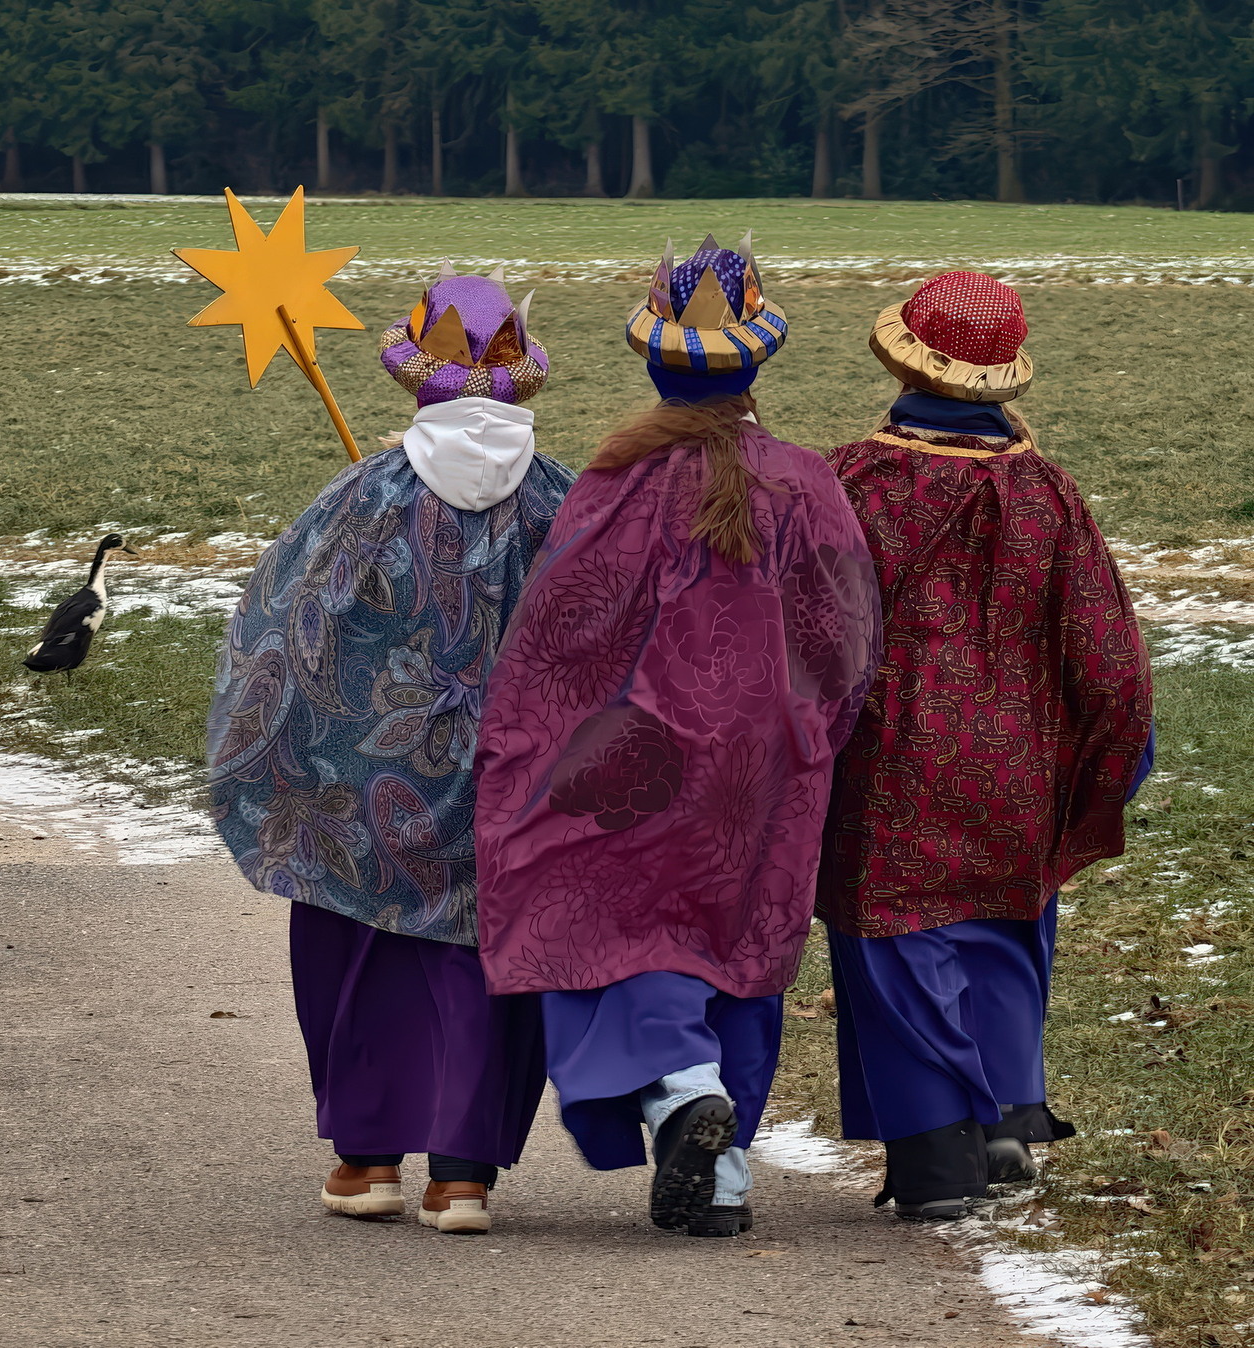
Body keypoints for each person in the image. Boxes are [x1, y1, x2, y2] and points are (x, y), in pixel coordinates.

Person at [473, 236, 882, 1237]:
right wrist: (811, 734)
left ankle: (676, 1086)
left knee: (603, 916)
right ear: (759, 360)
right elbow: (845, 636)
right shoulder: (807, 484)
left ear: (651, 358)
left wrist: (530, 745)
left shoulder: (617, 481)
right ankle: (725, 1180)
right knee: (735, 940)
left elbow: (562, 633)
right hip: (765, 761)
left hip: (631, 756)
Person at [207, 267, 574, 1234]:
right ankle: (463, 1176)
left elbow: (290, 633)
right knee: (483, 949)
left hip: (372, 774)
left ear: (416, 378)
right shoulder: (565, 503)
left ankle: (366, 1158)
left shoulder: (364, 495)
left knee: (358, 934)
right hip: (515, 781)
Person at [819, 271, 1155, 1221]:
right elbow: (1106, 654)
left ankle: (938, 1160)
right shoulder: (1049, 493)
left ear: (902, 360)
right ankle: (1009, 1117)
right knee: (1006, 923)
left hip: (884, 761)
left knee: (897, 946)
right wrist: (1116, 752)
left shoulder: (851, 481)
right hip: (1018, 762)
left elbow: (806, 628)